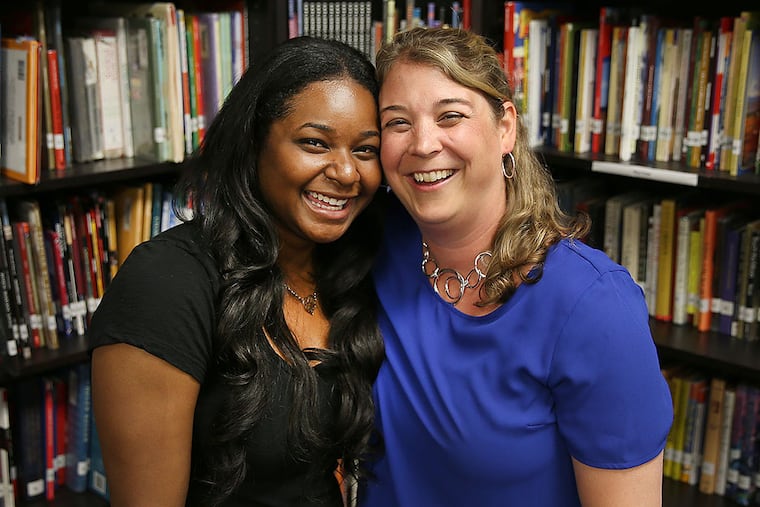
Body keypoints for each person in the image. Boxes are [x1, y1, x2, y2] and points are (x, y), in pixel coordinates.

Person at [359, 26, 673, 507]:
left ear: (505, 127)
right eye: (397, 122)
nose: (422, 144)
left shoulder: (593, 306)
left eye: (451, 116)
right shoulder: (377, 244)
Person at [89, 36, 385, 507]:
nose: (347, 173)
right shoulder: (167, 282)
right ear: (254, 142)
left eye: (366, 150)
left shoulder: (353, 270)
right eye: (314, 143)